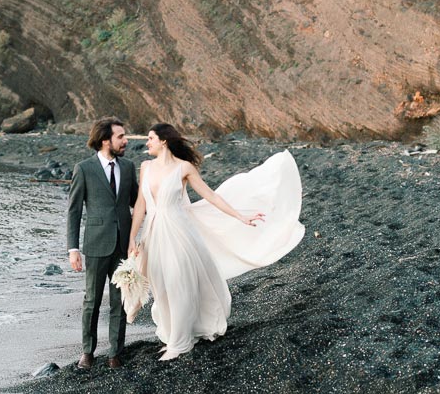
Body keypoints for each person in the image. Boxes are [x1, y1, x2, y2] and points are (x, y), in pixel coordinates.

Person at [128, 123, 304, 361]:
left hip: (179, 233)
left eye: (150, 138)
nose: (146, 143)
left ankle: (179, 343)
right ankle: (172, 336)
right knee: (160, 286)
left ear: (164, 141)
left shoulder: (184, 168)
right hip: (153, 233)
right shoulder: (146, 168)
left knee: (178, 281)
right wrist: (132, 237)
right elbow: (140, 205)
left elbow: (210, 195)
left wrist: (241, 216)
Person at [66, 117, 139, 370]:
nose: (126, 140)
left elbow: (137, 203)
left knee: (119, 300)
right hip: (96, 244)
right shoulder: (84, 168)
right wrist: (73, 249)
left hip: (123, 245)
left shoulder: (128, 167)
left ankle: (115, 353)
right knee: (92, 300)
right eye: (121, 136)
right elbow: (74, 211)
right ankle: (87, 352)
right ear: (105, 140)